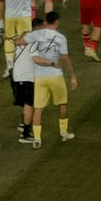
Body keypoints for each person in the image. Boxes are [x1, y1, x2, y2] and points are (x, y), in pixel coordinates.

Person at [27, 10, 77, 147]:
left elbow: (35, 58)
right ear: (56, 22)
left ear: (45, 22)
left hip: (40, 78)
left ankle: (37, 139)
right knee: (62, 104)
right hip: (56, 77)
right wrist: (72, 76)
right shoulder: (61, 38)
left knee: (38, 109)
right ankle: (63, 132)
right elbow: (65, 58)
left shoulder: (35, 36)